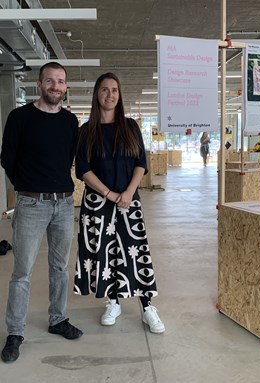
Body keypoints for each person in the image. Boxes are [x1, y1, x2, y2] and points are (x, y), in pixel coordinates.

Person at [0, 62, 83, 363]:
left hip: (63, 203)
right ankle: (15, 332)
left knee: (60, 268)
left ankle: (57, 319)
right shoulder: (20, 117)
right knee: (22, 272)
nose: (55, 86)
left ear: (65, 87)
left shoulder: (70, 121)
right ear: (39, 84)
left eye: (60, 81)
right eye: (50, 80)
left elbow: (70, 158)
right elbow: (7, 158)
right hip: (31, 204)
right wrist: (27, 185)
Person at [73, 72, 165, 334]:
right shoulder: (86, 131)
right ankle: (113, 302)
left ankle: (147, 307)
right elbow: (83, 169)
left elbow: (140, 162)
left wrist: (128, 192)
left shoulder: (131, 126)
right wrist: (110, 194)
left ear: (120, 95)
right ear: (96, 94)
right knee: (106, 254)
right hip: (98, 204)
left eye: (114, 90)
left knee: (136, 253)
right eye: (104, 89)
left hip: (128, 202)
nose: (110, 94)